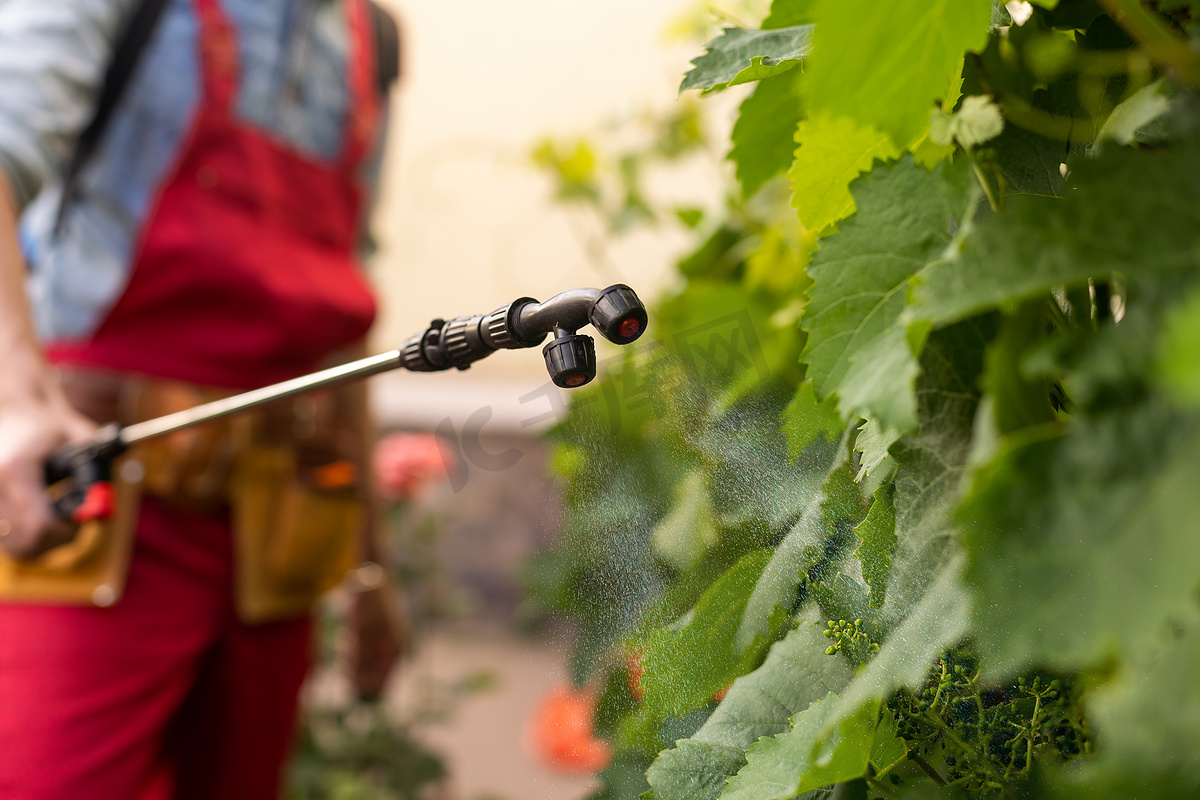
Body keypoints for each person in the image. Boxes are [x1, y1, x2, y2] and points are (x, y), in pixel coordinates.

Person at [0, 1, 404, 797]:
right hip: (94, 510)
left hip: (276, 533)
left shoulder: (372, 40)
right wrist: (14, 396)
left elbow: (343, 315)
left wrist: (370, 561)